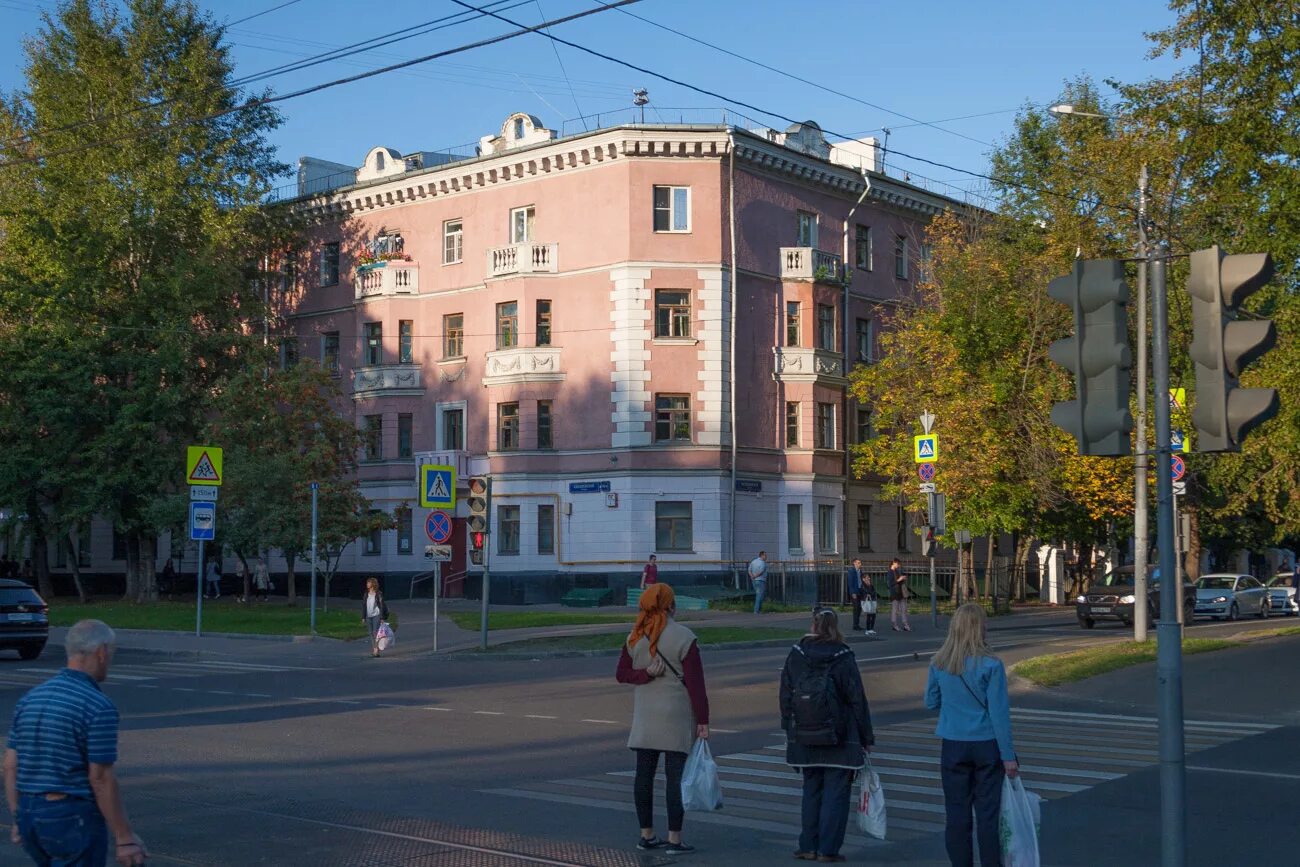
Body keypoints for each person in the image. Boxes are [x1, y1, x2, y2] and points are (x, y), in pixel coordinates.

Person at [4, 620, 147, 867]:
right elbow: (100, 778)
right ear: (101, 652)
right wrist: (125, 838)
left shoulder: (31, 698)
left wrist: (19, 816)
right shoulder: (96, 705)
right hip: (70, 817)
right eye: (111, 652)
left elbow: (10, 765)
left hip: (30, 814)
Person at [615, 584, 709, 856]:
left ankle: (646, 835)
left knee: (643, 775)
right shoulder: (684, 637)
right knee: (675, 778)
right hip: (677, 716)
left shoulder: (634, 636)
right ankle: (675, 839)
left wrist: (644, 674)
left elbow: (621, 673)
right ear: (670, 605)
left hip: (645, 716)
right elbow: (696, 685)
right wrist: (703, 720)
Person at [925, 603, 1018, 867]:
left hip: (953, 745)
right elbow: (999, 715)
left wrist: (954, 707)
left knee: (956, 815)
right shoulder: (991, 665)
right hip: (986, 746)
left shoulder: (939, 663)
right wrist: (1008, 757)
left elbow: (930, 701)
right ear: (979, 629)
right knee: (988, 816)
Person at [780, 607, 874, 863]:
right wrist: (866, 737)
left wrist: (789, 727)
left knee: (811, 789)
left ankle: (808, 845)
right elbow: (856, 698)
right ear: (835, 626)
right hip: (840, 735)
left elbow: (786, 693)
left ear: (813, 624)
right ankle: (828, 849)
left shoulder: (797, 653)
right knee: (836, 792)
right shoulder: (843, 655)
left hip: (805, 733)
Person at [361, 577, 389, 658]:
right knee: (370, 633)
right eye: (367, 583)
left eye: (368, 583)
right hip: (368, 616)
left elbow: (381, 605)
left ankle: (376, 650)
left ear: (373, 584)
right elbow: (364, 605)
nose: (367, 584)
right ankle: (375, 648)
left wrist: (382, 618)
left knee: (375, 633)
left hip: (376, 615)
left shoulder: (378, 593)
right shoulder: (366, 593)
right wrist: (363, 617)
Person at [888, 557, 910, 632]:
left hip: (901, 592)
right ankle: (894, 625)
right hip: (895, 593)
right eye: (897, 564)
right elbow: (890, 583)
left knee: (904, 609)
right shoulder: (890, 572)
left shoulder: (897, 571)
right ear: (893, 563)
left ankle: (905, 625)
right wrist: (899, 580)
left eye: (899, 564)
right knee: (895, 610)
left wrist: (903, 578)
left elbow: (899, 580)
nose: (898, 565)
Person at [860, 569, 879, 637]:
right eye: (867, 577)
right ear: (863, 579)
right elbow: (866, 592)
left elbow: (874, 592)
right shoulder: (863, 585)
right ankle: (867, 629)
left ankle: (871, 628)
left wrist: (871, 592)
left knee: (873, 615)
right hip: (867, 601)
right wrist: (870, 593)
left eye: (869, 577)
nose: (869, 578)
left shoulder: (871, 585)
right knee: (868, 615)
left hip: (872, 601)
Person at [847, 559, 864, 632]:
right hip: (854, 592)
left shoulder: (860, 571)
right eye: (858, 563)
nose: (860, 564)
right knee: (856, 608)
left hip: (860, 591)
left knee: (859, 608)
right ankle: (855, 625)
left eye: (860, 562)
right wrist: (853, 593)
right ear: (854, 563)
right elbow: (850, 583)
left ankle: (857, 624)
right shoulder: (851, 571)